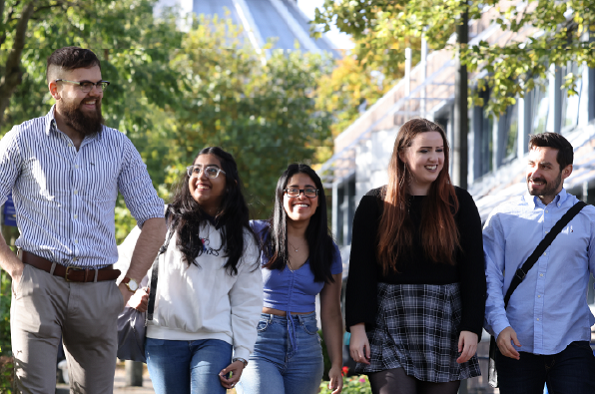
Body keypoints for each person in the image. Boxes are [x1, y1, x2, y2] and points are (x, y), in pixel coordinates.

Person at [0, 46, 166, 393]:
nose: (95, 93)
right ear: (55, 89)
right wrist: (15, 269)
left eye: (98, 83)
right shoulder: (22, 139)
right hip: (38, 285)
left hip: (100, 292)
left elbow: (154, 219)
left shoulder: (119, 146)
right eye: (84, 85)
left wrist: (129, 287)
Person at [346, 118, 486, 394]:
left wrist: (472, 327)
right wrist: (357, 328)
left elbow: (473, 272)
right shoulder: (374, 205)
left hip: (444, 323)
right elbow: (361, 272)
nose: (435, 158)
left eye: (440, 150)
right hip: (389, 323)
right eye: (425, 150)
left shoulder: (460, 203)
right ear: (403, 154)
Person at [124, 146, 263, 394]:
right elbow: (125, 263)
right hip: (162, 338)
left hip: (215, 338)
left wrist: (242, 354)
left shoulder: (243, 239)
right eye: (196, 169)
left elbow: (247, 301)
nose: (201, 175)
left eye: (212, 170)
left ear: (230, 183)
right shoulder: (163, 220)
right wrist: (132, 294)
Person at [483, 132, 595, 394]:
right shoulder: (502, 218)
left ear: (566, 171)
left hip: (571, 343)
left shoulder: (588, 219)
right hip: (515, 345)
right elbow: (489, 280)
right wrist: (499, 327)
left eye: (545, 166)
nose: (535, 172)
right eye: (532, 164)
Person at [237, 163, 344, 394]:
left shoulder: (328, 250)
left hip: (306, 347)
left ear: (318, 199)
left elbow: (332, 312)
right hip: (258, 342)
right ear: (281, 195)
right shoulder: (256, 234)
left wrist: (336, 363)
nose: (301, 196)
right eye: (293, 189)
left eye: (309, 190)